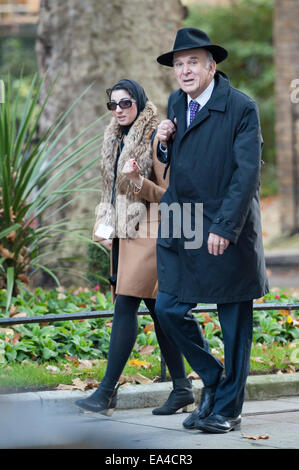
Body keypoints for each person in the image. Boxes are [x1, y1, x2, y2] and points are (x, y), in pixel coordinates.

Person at [154, 28, 269, 433]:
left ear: (211, 66)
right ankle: (217, 381)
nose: (184, 71)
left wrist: (224, 226)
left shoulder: (241, 107)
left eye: (193, 62)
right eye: (179, 64)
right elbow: (179, 160)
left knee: (234, 318)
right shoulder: (175, 102)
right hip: (183, 221)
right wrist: (163, 142)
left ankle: (227, 408)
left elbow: (247, 173)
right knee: (168, 307)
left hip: (226, 221)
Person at [76, 79, 194, 416]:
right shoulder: (114, 136)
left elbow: (170, 192)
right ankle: (182, 388)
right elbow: (111, 190)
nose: (118, 110)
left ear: (139, 102)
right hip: (127, 236)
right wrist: (104, 224)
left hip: (152, 234)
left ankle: (105, 393)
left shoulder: (156, 133)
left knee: (125, 306)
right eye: (112, 105)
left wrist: (139, 182)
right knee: (159, 314)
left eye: (125, 103)